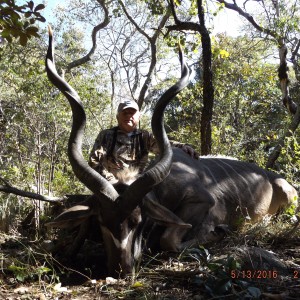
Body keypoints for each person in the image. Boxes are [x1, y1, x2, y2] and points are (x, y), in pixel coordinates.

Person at [89, 100, 199, 183]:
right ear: (118, 117)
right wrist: (112, 183)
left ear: (139, 117)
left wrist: (182, 146)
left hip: (138, 188)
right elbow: (94, 162)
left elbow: (164, 145)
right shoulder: (106, 135)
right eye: (125, 113)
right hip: (111, 186)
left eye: (132, 113)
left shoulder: (144, 136)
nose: (128, 116)